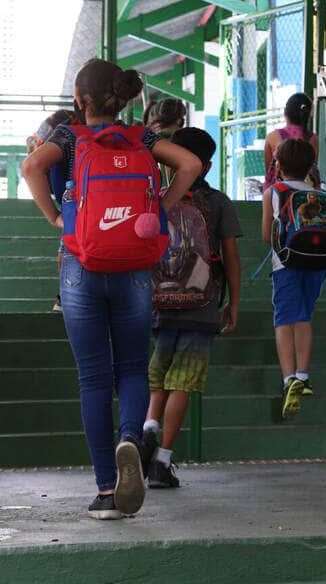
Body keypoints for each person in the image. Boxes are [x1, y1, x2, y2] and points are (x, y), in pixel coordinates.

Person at [20, 59, 202, 520]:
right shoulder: (142, 137)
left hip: (82, 264)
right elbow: (191, 162)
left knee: (93, 378)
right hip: (135, 267)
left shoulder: (67, 137)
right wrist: (161, 206)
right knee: (133, 369)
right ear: (120, 100)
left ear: (80, 101)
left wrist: (56, 218)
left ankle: (106, 491)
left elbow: (30, 169)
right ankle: (129, 436)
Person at [143, 127, 242, 489]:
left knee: (159, 376)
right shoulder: (216, 203)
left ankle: (147, 429)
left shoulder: (155, 199)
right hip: (201, 304)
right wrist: (233, 302)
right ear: (209, 164)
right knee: (183, 381)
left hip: (159, 301)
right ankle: (162, 462)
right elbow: (230, 256)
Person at [262, 138, 326, 419]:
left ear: (279, 165)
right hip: (318, 263)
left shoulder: (273, 192)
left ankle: (290, 378)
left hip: (286, 263)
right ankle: (304, 374)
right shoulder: (318, 193)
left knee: (284, 319)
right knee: (304, 316)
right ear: (310, 166)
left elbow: (267, 235)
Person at [26, 108, 83, 313]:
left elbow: (31, 162)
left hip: (72, 205)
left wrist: (54, 216)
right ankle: (66, 295)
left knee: (68, 240)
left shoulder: (62, 130)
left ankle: (65, 296)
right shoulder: (68, 129)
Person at [263, 93, 320, 191]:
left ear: (285, 112)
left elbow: (269, 170)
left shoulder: (272, 137)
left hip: (278, 191)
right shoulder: (313, 139)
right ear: (308, 115)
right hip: (307, 191)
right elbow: (312, 166)